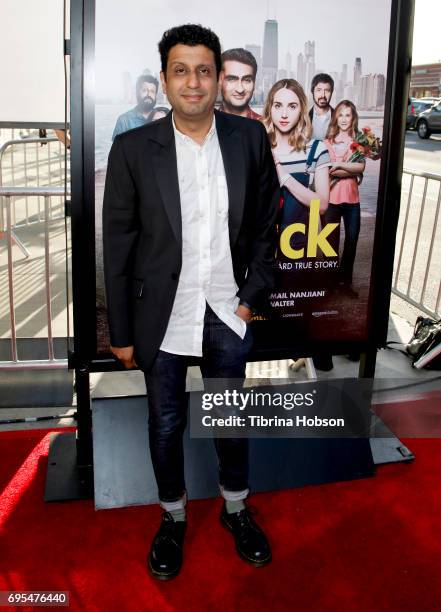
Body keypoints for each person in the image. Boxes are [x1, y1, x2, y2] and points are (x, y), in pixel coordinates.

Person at [103, 24, 279, 580]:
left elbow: (267, 229)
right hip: (162, 318)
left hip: (228, 311)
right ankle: (173, 517)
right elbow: (119, 243)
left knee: (230, 420)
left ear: (218, 77)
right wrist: (122, 330)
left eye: (204, 70)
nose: (194, 82)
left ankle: (235, 509)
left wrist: (250, 302)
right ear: (164, 79)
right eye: (181, 70)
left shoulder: (248, 140)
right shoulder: (133, 149)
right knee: (165, 423)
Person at [262, 79, 330, 252]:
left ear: (301, 110)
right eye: (278, 105)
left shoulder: (316, 150)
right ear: (270, 109)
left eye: (292, 106)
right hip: (264, 250)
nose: (284, 114)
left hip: (300, 250)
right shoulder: (259, 149)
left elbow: (322, 206)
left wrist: (283, 175)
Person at [323, 100, 365, 298]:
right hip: (332, 201)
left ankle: (345, 283)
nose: (344, 119)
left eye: (348, 115)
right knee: (330, 242)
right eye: (340, 115)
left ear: (353, 117)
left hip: (352, 201)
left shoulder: (359, 141)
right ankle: (330, 282)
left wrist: (340, 165)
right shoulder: (328, 142)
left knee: (352, 240)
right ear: (335, 117)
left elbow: (361, 167)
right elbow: (329, 171)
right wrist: (347, 168)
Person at [112, 74, 159, 139]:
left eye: (152, 91)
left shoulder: (163, 118)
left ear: (155, 95)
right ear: (137, 93)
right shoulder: (124, 120)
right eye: (144, 90)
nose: (149, 94)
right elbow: (117, 148)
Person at [219, 48, 261, 120]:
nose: (240, 89)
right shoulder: (203, 125)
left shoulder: (266, 127)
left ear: (254, 84)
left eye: (247, 80)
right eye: (231, 79)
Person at [309, 73, 334, 141]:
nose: (323, 95)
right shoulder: (303, 119)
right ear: (312, 92)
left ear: (331, 93)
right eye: (319, 90)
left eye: (327, 91)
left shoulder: (338, 117)